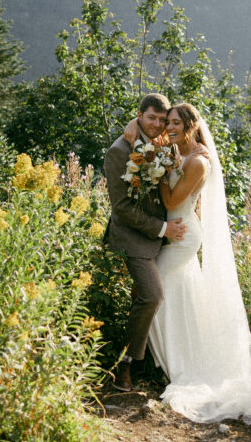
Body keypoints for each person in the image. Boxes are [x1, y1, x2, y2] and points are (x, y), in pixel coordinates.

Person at [123, 103, 251, 424]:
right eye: (167, 122)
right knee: (173, 296)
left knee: (154, 292)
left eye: (176, 123)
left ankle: (173, 365)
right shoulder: (175, 149)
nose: (168, 127)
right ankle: (166, 361)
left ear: (191, 126)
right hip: (169, 234)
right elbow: (148, 130)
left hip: (183, 237)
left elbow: (174, 201)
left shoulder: (198, 161)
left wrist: (160, 168)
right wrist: (137, 127)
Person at [103, 93, 188, 392]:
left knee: (144, 296)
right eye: (150, 117)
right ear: (138, 115)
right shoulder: (118, 151)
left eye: (161, 120)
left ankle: (155, 359)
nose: (156, 124)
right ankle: (124, 366)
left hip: (162, 237)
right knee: (152, 295)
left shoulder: (165, 144)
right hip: (134, 236)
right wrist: (164, 228)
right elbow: (122, 209)